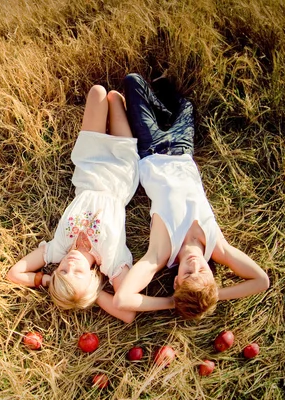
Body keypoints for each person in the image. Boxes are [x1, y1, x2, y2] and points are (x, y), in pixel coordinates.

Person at [6, 84, 172, 323]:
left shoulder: (57, 249)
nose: (70, 265)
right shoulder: (111, 261)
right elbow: (128, 313)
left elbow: (15, 274)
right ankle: (121, 109)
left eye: (62, 271)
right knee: (114, 99)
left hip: (89, 167)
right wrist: (92, 296)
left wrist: (46, 280)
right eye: (78, 273)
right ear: (93, 278)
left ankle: (111, 110)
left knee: (97, 92)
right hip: (120, 174)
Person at [113, 73, 270, 319]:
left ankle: (159, 109)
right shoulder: (217, 247)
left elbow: (122, 299)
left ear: (176, 282)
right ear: (213, 278)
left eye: (187, 274)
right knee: (186, 106)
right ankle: (164, 104)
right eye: (204, 273)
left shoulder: (162, 253)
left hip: (151, 147)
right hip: (183, 147)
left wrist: (172, 302)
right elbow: (262, 281)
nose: (196, 264)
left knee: (133, 81)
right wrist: (214, 294)